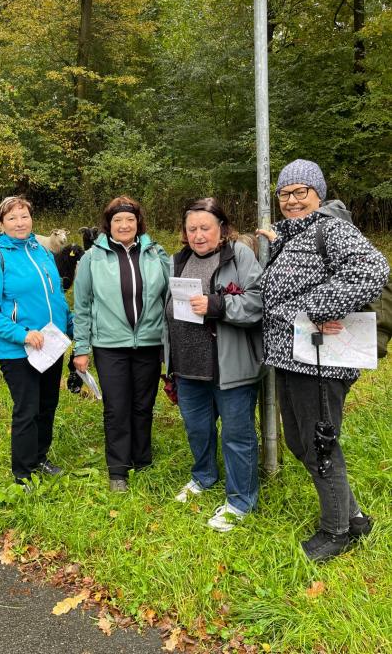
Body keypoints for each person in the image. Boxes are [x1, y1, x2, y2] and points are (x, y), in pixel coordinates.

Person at [257, 159, 390, 562]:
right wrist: (277, 241)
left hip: (320, 360)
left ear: (319, 194)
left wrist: (318, 308)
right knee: (300, 441)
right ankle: (355, 517)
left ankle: (336, 532)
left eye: (302, 192)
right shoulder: (297, 232)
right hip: (291, 357)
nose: (292, 200)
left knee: (320, 446)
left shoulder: (331, 228)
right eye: (285, 193)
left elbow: (373, 269)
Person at [163, 198, 264, 531]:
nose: (198, 235)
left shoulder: (239, 255)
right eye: (191, 228)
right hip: (188, 366)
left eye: (205, 228)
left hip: (229, 367)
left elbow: (258, 301)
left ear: (221, 228)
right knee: (197, 429)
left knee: (237, 435)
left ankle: (240, 501)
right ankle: (204, 476)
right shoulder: (178, 260)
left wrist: (217, 305)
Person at [0, 196, 73, 488]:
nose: (20, 223)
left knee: (47, 404)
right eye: (12, 218)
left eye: (24, 216)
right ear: (1, 223)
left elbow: (56, 296)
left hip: (50, 345)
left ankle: (40, 457)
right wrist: (21, 334)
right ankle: (23, 472)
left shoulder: (42, 252)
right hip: (19, 350)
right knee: (27, 410)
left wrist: (69, 326)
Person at [73, 196, 169, 492]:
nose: (124, 225)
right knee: (116, 407)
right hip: (110, 344)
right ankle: (118, 470)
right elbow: (82, 305)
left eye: (130, 219)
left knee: (144, 404)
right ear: (108, 224)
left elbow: (171, 296)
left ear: (138, 223)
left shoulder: (156, 254)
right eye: (118, 220)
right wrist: (81, 348)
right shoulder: (92, 258)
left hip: (149, 343)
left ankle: (142, 459)